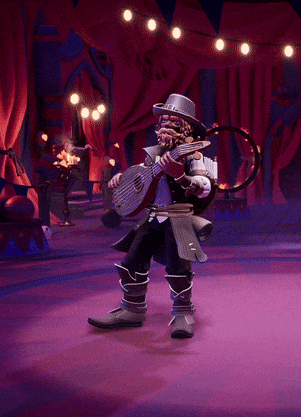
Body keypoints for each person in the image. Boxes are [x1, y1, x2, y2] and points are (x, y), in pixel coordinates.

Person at [88, 94, 216, 338]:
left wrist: (181, 176)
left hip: (178, 219)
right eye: (164, 120)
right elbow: (143, 176)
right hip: (153, 217)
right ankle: (132, 310)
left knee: (178, 267)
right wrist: (123, 179)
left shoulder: (193, 155)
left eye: (174, 121)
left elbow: (204, 186)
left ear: (186, 127)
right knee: (131, 262)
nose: (166, 124)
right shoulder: (153, 153)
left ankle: (183, 314)